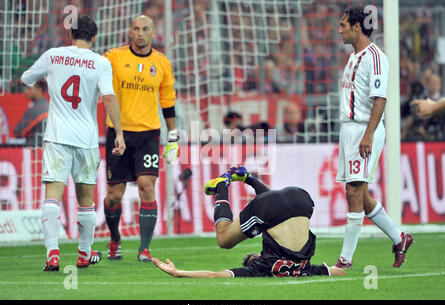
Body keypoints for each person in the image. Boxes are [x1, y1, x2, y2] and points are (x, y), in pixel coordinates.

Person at [20, 16, 126, 271]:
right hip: (86, 139)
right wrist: (119, 134)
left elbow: (25, 79)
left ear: (71, 35)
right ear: (94, 37)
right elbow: (109, 98)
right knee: (86, 201)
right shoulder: (101, 62)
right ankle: (84, 253)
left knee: (52, 197)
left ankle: (52, 254)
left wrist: (51, 79)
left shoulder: (53, 55)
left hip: (57, 137)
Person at [153, 166, 346, 278]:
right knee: (234, 235)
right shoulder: (262, 267)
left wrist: (180, 273)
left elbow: (338, 272)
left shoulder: (304, 269)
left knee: (225, 238)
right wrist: (178, 272)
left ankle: (224, 185)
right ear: (254, 259)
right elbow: (215, 275)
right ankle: (245, 179)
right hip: (293, 199)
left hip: (303, 202)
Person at [335, 6, 413, 269]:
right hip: (349, 130)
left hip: (364, 130)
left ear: (357, 26)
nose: (340, 29)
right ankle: (399, 238)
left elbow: (380, 98)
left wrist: (368, 134)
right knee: (362, 196)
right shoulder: (354, 56)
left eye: (343, 24)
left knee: (353, 190)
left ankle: (345, 260)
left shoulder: (376, 57)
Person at [102, 15, 178, 262]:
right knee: (114, 195)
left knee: (147, 187)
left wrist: (173, 136)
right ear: (130, 31)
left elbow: (167, 101)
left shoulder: (162, 63)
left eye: (145, 29)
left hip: (148, 134)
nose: (140, 33)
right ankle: (115, 239)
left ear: (153, 32)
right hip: (118, 133)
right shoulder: (113, 57)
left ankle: (144, 248)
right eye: (136, 29)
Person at [13, 80, 49, 146]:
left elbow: (17, 131)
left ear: (39, 89)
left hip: (34, 151)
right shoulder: (47, 104)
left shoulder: (37, 108)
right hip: (44, 150)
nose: (25, 91)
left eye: (29, 88)